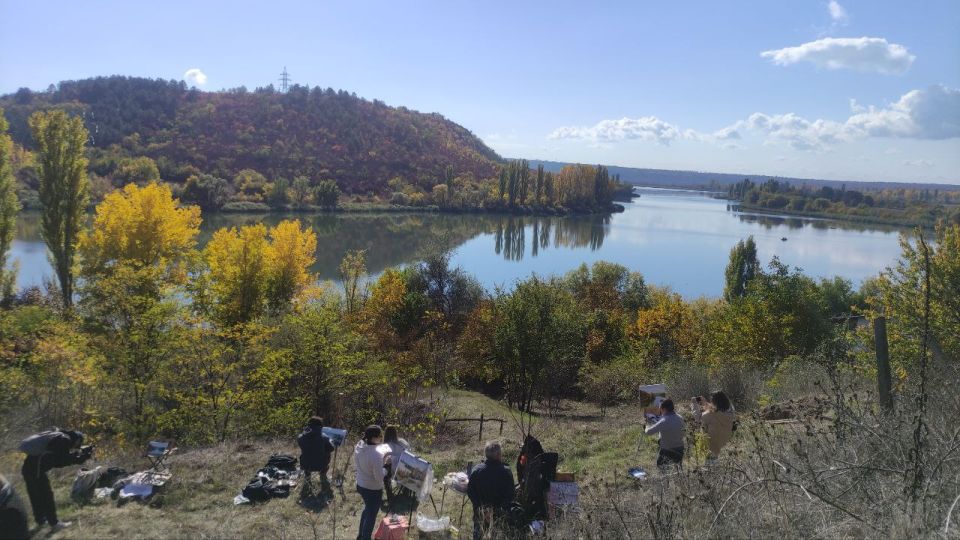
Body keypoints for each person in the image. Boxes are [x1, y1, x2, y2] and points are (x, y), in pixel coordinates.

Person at [19, 429, 93, 533]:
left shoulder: (58, 437)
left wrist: (78, 457)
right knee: (46, 495)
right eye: (79, 443)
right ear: (77, 439)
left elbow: (57, 462)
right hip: (36, 469)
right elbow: (63, 460)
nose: (77, 446)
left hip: (29, 468)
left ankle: (41, 521)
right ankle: (54, 524)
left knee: (35, 495)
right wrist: (81, 458)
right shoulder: (64, 440)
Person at [467, 441, 515, 540]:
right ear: (498, 455)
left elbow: (470, 491)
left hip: (480, 513)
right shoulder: (506, 471)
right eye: (500, 453)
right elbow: (510, 495)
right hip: (499, 515)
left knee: (479, 536)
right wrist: (495, 510)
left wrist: (481, 508)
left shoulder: (476, 470)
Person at [354, 425, 388, 540]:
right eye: (380, 436)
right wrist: (386, 467)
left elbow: (368, 463)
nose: (381, 438)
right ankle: (365, 537)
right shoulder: (376, 454)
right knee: (371, 516)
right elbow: (379, 478)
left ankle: (361, 535)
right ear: (373, 438)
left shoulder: (359, 446)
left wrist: (381, 460)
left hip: (360, 484)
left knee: (367, 509)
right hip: (372, 489)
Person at [297, 416, 335, 500]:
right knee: (326, 453)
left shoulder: (301, 437)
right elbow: (331, 449)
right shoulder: (324, 437)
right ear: (321, 426)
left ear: (309, 425)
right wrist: (330, 442)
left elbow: (300, 443)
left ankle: (307, 477)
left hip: (306, 464)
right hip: (321, 465)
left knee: (307, 455)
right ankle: (323, 475)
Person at [692, 391, 736, 462]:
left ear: (714, 402)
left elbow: (698, 419)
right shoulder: (731, 412)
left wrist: (694, 404)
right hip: (724, 447)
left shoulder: (710, 414)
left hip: (711, 449)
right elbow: (716, 411)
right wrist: (705, 403)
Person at [644, 398, 685, 470]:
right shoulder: (680, 418)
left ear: (664, 409)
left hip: (667, 450)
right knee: (677, 469)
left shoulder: (664, 421)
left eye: (661, 409)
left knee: (661, 468)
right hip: (680, 449)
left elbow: (648, 432)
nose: (660, 411)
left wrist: (646, 426)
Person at [382, 425, 409, 506]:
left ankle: (389, 495)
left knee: (385, 473)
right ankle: (406, 492)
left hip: (392, 471)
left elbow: (382, 460)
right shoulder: (402, 442)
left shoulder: (385, 446)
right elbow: (409, 454)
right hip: (405, 470)